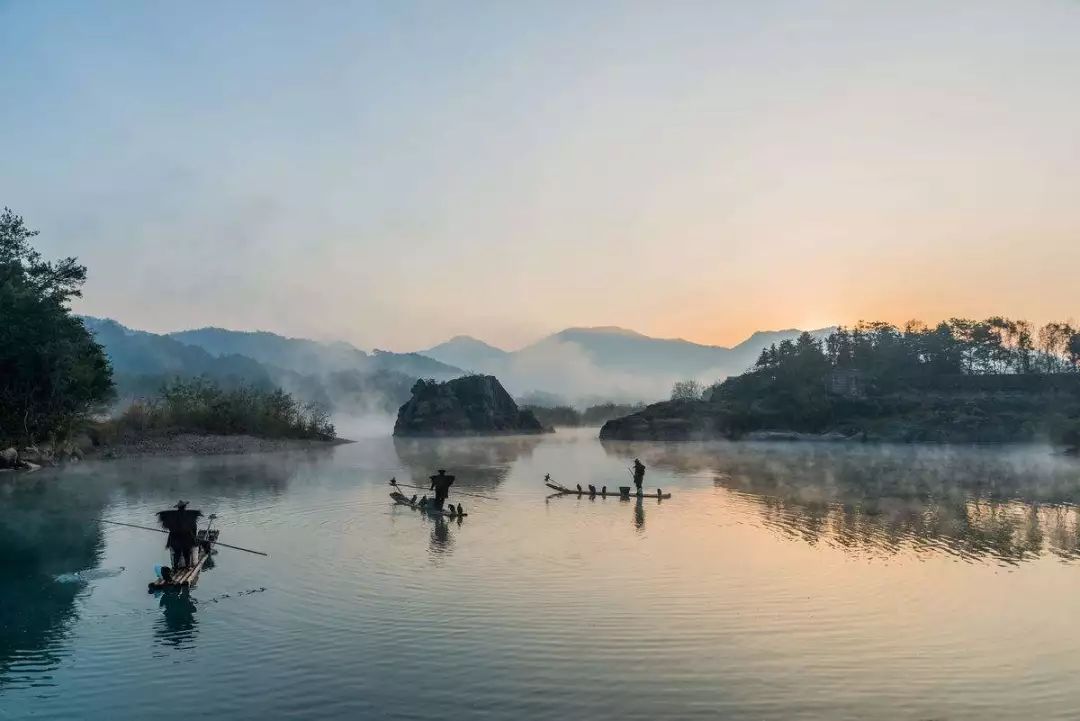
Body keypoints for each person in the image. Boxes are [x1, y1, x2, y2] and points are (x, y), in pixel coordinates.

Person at [156, 501, 201, 569]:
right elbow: (193, 527)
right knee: (186, 553)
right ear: (185, 507)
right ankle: (187, 566)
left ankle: (175, 568)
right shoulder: (189, 515)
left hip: (175, 539)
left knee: (177, 554)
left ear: (178, 507)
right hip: (186, 538)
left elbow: (169, 527)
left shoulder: (172, 516)